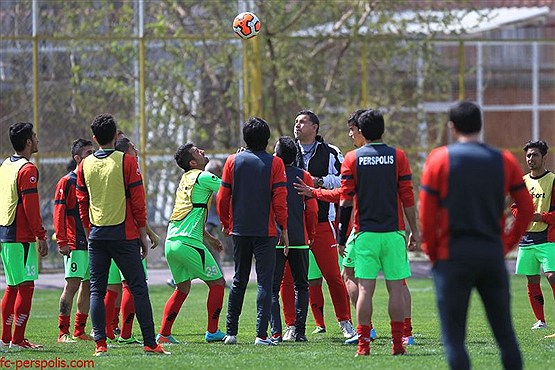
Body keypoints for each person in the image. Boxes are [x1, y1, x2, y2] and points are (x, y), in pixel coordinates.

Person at [420, 101, 534, 369]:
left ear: (452, 127)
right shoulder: (504, 159)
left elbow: (427, 213)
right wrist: (505, 244)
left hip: (452, 258)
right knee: (506, 336)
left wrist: (433, 252)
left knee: (454, 340)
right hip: (491, 255)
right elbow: (526, 209)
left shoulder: (439, 159)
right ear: (480, 124)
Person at [76, 113, 169, 356]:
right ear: (116, 135)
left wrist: (88, 232)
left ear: (95, 138)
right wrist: (142, 234)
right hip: (124, 234)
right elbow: (138, 201)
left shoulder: (84, 165)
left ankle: (100, 345)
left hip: (97, 235)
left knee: (97, 289)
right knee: (138, 287)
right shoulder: (126, 161)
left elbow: (81, 203)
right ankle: (150, 343)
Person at [336, 109, 419, 356]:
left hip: (365, 235)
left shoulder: (352, 158)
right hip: (394, 233)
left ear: (361, 131)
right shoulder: (398, 156)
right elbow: (407, 197)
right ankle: (397, 345)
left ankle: (363, 346)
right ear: (383, 130)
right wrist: (415, 230)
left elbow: (345, 201)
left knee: (364, 290)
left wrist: (341, 238)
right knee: (396, 288)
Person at [217, 117, 289, 345]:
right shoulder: (275, 163)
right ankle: (261, 335)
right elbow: (280, 201)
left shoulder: (232, 161)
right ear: (267, 139)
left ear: (244, 138)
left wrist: (227, 222)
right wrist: (284, 227)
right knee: (264, 282)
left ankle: (231, 333)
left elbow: (222, 197)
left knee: (238, 279)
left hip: (240, 229)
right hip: (265, 231)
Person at [282, 109, 353, 340]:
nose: (297, 125)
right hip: (293, 224)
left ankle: (345, 322)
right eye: (295, 121)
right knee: (288, 278)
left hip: (323, 220)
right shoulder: (287, 152)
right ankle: (291, 326)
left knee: (333, 275)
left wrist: (317, 182)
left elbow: (345, 180)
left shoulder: (330, 152)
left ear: (315, 127)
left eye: (302, 122)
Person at [157, 143, 226, 344]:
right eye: (197, 151)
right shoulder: (203, 176)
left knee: (182, 288)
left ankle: (164, 334)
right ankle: (213, 331)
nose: (202, 151)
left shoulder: (185, 179)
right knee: (218, 283)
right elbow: (228, 189)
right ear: (193, 162)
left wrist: (210, 239)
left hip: (171, 243)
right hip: (188, 243)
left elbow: (189, 216)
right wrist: (236, 164)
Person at [0, 122, 49, 350]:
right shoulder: (27, 169)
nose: (38, 140)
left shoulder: (6, 165)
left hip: (5, 232)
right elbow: (31, 208)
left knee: (12, 286)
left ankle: (6, 338)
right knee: (26, 286)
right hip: (20, 236)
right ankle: (17, 340)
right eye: (35, 137)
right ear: (28, 142)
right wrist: (41, 236)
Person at [270, 136, 318, 343]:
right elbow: (313, 210)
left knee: (272, 287)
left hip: (276, 238)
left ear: (278, 156)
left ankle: (276, 333)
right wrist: (311, 234)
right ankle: (299, 332)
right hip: (300, 238)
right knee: (301, 286)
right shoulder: (304, 176)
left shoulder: (271, 175)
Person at [54, 139, 95, 343]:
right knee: (72, 286)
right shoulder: (66, 182)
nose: (92, 156)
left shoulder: (92, 180)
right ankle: (63, 333)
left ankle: (79, 331)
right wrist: (62, 241)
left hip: (91, 243)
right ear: (77, 158)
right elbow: (59, 213)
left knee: (87, 286)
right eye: (88, 153)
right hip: (74, 243)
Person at [514, 140, 555, 330]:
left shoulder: (552, 180)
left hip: (547, 238)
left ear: (543, 157)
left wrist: (542, 217)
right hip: (527, 240)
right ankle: (541, 321)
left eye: (535, 155)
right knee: (531, 279)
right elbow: (514, 207)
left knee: (552, 276)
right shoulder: (522, 182)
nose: (531, 158)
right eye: (528, 155)